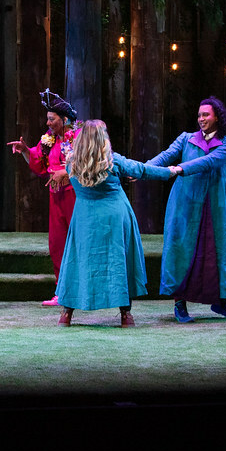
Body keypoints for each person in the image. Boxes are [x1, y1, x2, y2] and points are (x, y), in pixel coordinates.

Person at [53, 120, 180, 327]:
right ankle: (125, 315)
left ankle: (66, 314)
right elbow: (142, 170)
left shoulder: (71, 163)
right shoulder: (112, 161)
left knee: (78, 260)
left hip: (85, 218)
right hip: (113, 216)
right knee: (119, 260)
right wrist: (170, 171)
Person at [146, 96, 226, 323]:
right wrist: (142, 169)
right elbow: (165, 156)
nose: (201, 119)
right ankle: (180, 304)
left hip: (214, 205)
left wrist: (178, 169)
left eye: (206, 115)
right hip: (185, 203)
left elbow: (208, 162)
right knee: (181, 250)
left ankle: (220, 303)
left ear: (217, 116)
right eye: (199, 115)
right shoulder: (186, 139)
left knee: (215, 252)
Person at [7, 89, 79, 306]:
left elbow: (89, 163)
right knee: (57, 244)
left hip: (77, 196)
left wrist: (65, 173)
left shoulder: (79, 137)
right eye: (47, 119)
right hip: (56, 197)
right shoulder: (48, 140)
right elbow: (38, 163)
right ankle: (62, 292)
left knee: (78, 242)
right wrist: (25, 150)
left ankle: (81, 291)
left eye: (52, 119)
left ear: (65, 119)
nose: (48, 123)